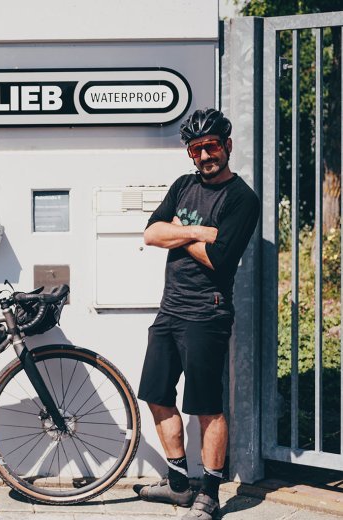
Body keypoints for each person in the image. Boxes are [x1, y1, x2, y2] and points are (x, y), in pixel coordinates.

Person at [135, 108, 260, 520]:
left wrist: (176, 232)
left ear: (227, 145)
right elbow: (152, 232)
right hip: (169, 310)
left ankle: (209, 492)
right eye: (196, 149)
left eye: (210, 146)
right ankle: (177, 484)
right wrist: (195, 231)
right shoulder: (184, 185)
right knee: (155, 395)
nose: (205, 155)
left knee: (207, 406)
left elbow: (220, 261)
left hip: (207, 314)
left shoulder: (241, 199)